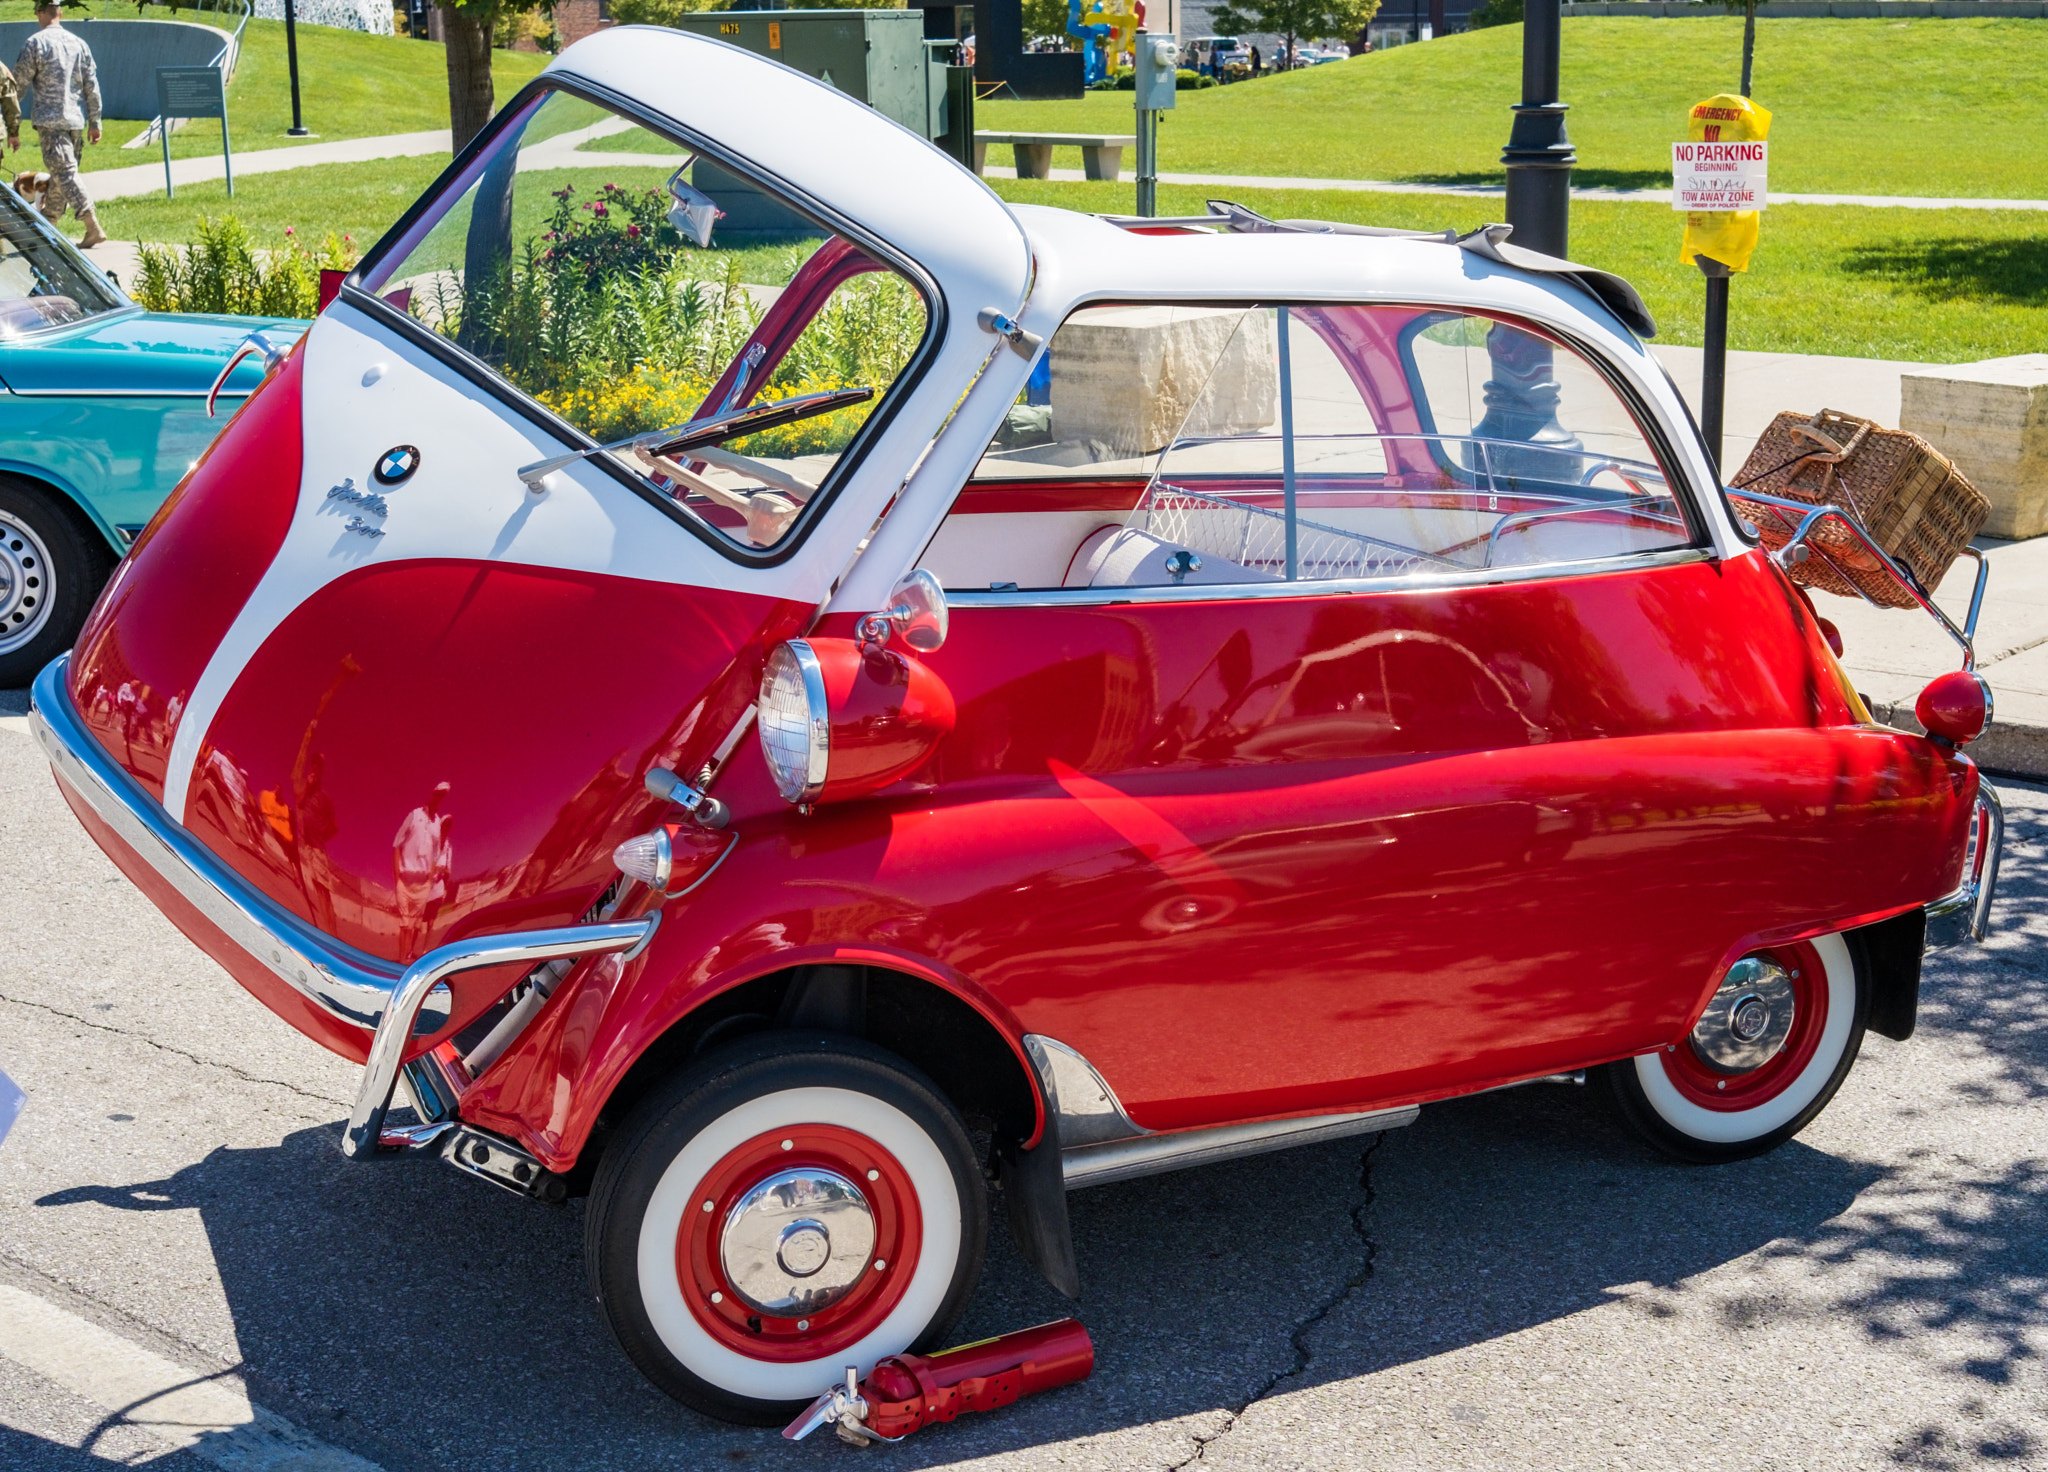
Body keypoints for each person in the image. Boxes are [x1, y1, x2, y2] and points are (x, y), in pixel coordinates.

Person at [12, 0, 104, 248]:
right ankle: (48, 224)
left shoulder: (35, 43)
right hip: (75, 122)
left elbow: (17, 85)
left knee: (65, 174)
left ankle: (91, 224)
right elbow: (91, 86)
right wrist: (95, 121)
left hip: (51, 124)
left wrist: (10, 120)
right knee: (59, 176)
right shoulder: (79, 44)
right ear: (60, 13)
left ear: (40, 13)